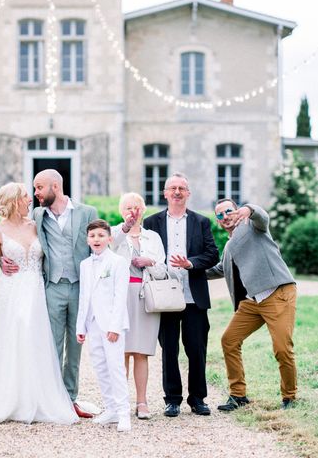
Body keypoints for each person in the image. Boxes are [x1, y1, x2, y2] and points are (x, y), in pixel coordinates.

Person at [0, 182, 78, 425]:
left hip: (36, 289)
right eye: (25, 197)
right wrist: (0, 263)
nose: (30, 201)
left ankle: (37, 397)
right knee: (10, 339)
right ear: (14, 201)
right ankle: (9, 397)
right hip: (10, 291)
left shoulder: (36, 225)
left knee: (35, 340)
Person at [206, 199, 297, 411]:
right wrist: (191, 269)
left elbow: (262, 216)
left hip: (278, 293)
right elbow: (220, 269)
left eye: (229, 211)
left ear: (237, 210)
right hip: (252, 302)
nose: (225, 216)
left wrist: (249, 210)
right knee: (229, 340)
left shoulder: (253, 226)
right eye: (220, 215)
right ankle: (238, 396)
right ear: (218, 221)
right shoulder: (229, 246)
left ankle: (290, 398)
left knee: (282, 349)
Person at [143, 172, 218, 418]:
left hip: (193, 296)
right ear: (165, 193)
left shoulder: (201, 222)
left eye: (181, 188)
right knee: (169, 350)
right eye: (172, 188)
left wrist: (190, 263)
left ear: (188, 193)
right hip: (164, 296)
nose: (177, 192)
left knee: (197, 349)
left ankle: (197, 399)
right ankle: (172, 400)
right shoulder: (152, 222)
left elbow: (212, 254)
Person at [27, 169, 98, 418]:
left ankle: (70, 398)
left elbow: (98, 246)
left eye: (39, 187)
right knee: (52, 345)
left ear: (54, 187)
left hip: (80, 287)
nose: (35, 193)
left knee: (75, 346)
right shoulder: (37, 215)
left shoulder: (87, 212)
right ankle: (51, 399)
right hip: (53, 287)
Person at [111, 193, 167, 420]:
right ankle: (119, 402)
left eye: (136, 207)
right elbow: (105, 252)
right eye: (127, 208)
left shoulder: (152, 237)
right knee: (121, 352)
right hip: (119, 298)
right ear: (121, 211)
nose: (132, 211)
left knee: (141, 352)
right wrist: (124, 228)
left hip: (145, 296)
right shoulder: (114, 233)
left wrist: (149, 262)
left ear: (143, 210)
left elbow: (163, 271)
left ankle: (142, 402)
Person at [77, 219, 131, 432]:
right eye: (92, 236)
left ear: (109, 238)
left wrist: (115, 326)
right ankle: (110, 409)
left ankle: (123, 412)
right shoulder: (85, 264)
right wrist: (81, 327)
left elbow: (120, 297)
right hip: (92, 324)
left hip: (111, 324)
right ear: (87, 240)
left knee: (115, 367)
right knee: (99, 366)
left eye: (101, 235)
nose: (96, 239)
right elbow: (84, 297)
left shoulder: (118, 262)